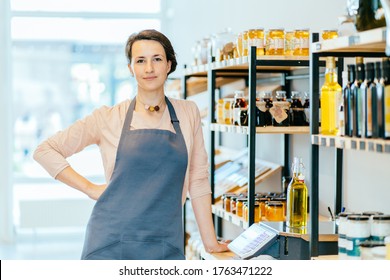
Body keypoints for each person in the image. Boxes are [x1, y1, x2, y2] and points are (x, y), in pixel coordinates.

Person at [33, 29, 229, 260]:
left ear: (169, 64)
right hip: (110, 242)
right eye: (140, 61)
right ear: (130, 68)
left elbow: (197, 179)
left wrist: (210, 242)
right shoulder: (108, 118)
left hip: (166, 241)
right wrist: (90, 188)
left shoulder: (188, 113)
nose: (149, 68)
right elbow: (45, 151)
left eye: (157, 59)